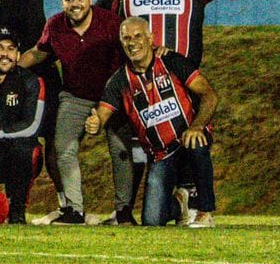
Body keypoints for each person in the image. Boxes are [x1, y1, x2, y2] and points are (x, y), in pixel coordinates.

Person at [83, 17, 219, 228]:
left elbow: (209, 95)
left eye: (138, 36)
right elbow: (102, 113)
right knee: (152, 220)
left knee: (198, 142)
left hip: (186, 139)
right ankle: (181, 203)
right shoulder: (119, 81)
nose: (132, 42)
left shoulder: (172, 61)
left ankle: (205, 211)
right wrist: (95, 122)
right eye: (126, 38)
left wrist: (197, 126)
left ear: (150, 38)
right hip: (161, 154)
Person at [20, 0, 130, 226]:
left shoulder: (111, 23)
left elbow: (132, 52)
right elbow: (39, 52)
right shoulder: (55, 25)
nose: (75, 4)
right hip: (75, 97)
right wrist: (8, 69)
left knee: (121, 150)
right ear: (62, 1)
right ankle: (74, 210)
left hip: (111, 97)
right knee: (63, 148)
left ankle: (123, 211)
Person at [0, 27, 45, 224]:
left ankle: (17, 210)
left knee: (28, 149)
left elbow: (32, 125)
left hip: (14, 154)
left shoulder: (31, 81)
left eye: (11, 49)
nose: (5, 54)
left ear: (18, 55)